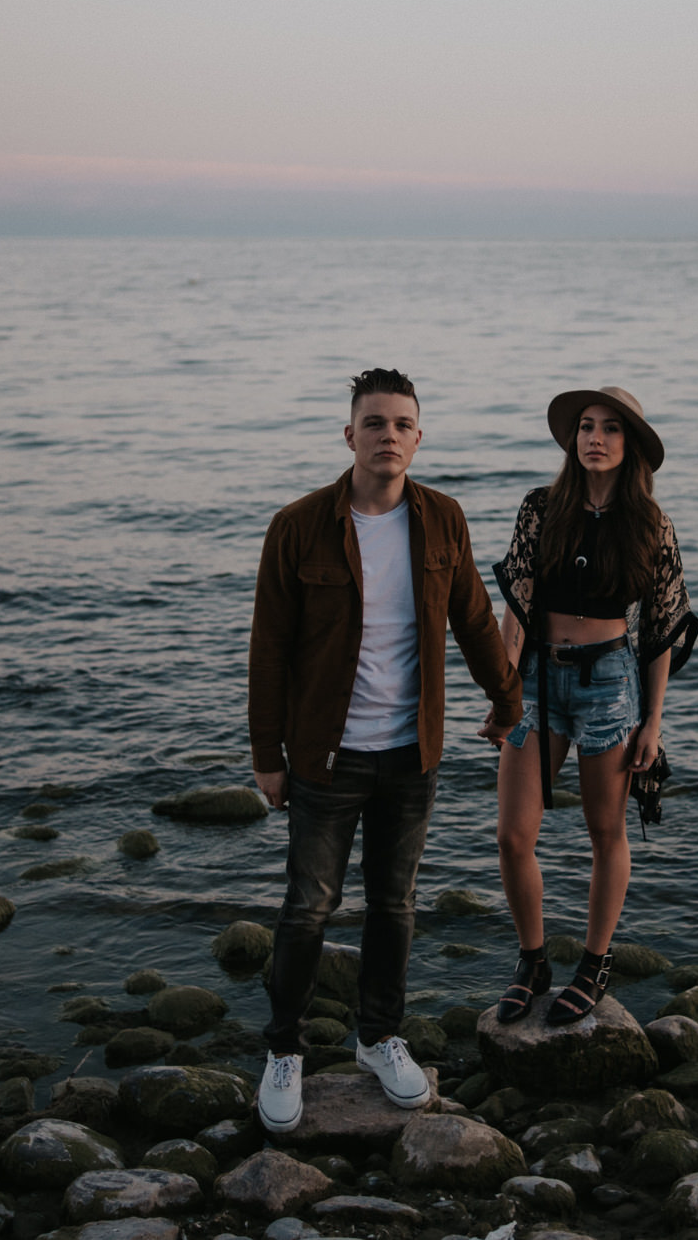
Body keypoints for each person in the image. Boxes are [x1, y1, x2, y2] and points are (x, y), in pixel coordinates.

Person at [248, 367, 524, 1134]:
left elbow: (473, 617)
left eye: (402, 424)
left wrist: (507, 701)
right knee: (308, 907)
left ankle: (377, 1037)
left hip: (411, 753)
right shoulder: (298, 525)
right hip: (324, 755)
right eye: (374, 423)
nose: (388, 436)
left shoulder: (442, 519)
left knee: (395, 905)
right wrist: (266, 753)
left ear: (418, 436)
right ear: (349, 435)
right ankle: (283, 1050)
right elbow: (268, 648)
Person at [488, 386, 698, 1026]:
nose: (595, 438)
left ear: (629, 443)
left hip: (611, 682)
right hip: (539, 681)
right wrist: (503, 695)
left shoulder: (651, 525)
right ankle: (532, 960)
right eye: (586, 426)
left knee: (604, 832)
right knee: (513, 834)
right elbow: (517, 604)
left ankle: (595, 962)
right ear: (572, 438)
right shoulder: (540, 508)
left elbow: (661, 630)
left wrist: (653, 724)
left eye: (610, 428)